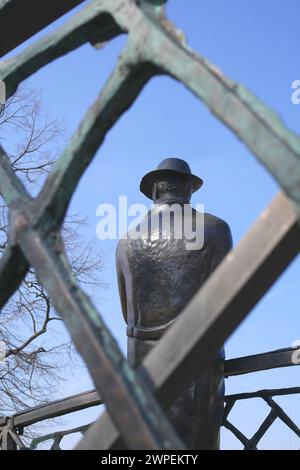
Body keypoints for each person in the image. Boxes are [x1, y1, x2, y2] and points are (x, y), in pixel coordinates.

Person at [116, 158, 232, 449]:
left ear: (155, 191)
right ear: (189, 190)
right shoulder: (216, 229)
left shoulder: (125, 241)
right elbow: (227, 302)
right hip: (198, 365)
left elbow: (126, 312)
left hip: (142, 368)